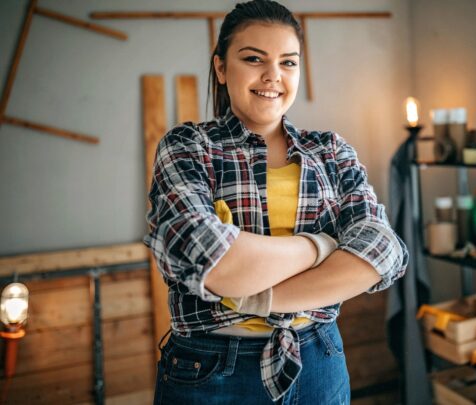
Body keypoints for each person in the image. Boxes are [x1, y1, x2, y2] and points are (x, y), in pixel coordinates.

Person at [143, 1, 408, 404]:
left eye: (288, 62)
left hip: (318, 360)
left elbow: (384, 251)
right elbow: (213, 259)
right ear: (220, 67)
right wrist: (322, 246)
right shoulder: (188, 146)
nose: (273, 76)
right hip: (212, 370)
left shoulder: (331, 151)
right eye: (253, 59)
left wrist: (259, 297)